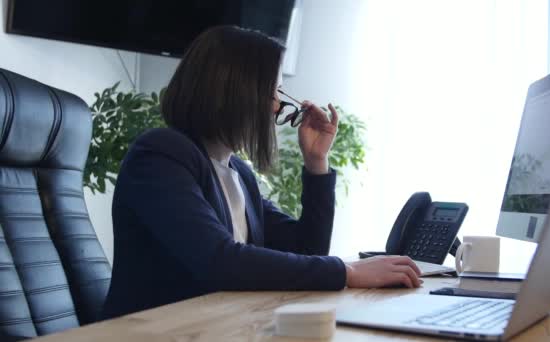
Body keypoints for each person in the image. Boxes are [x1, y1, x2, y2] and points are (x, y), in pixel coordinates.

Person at [101, 26, 421, 320]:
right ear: (234, 90)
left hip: (217, 326)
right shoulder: (160, 154)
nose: (276, 106)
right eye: (273, 92)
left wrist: (316, 163)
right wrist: (347, 271)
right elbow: (220, 261)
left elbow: (307, 249)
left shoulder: (237, 171)